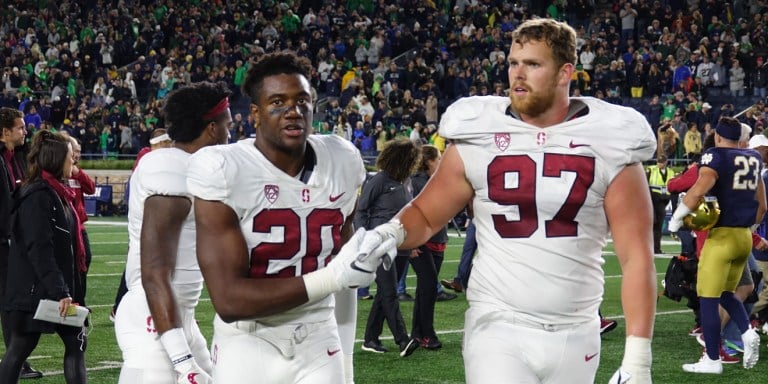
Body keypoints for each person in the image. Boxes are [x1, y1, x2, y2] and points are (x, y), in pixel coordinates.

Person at [350, 18, 658, 383]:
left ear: (565, 73)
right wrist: (389, 233)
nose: (518, 74)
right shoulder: (479, 130)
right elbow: (427, 214)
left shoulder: (611, 138)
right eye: (513, 62)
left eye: (533, 64)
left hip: (577, 330)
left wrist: (639, 358)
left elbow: (636, 256)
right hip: (497, 324)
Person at [186, 52, 392, 384]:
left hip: (319, 333)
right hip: (249, 340)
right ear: (255, 113)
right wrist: (331, 278)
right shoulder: (224, 169)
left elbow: (344, 257)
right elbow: (229, 300)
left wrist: (367, 252)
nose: (293, 112)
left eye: (302, 101)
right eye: (278, 103)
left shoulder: (342, 159)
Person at [114, 81, 232, 384]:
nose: (230, 133)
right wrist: (183, 362)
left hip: (181, 317)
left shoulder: (192, 166)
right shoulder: (169, 167)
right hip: (152, 316)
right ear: (211, 129)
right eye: (227, 125)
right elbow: (154, 273)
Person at [670, 117, 766, 374]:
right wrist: (749, 230)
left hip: (721, 237)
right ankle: (746, 332)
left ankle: (712, 359)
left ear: (717, 137)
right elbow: (762, 206)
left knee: (708, 299)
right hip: (744, 238)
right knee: (726, 292)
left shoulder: (715, 156)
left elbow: (697, 192)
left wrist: (677, 219)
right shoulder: (753, 158)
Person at [0, 130, 86, 383]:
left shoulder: (57, 193)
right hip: (37, 292)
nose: (74, 162)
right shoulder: (38, 196)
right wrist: (60, 290)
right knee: (20, 348)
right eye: (71, 157)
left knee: (75, 343)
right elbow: (39, 249)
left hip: (48, 289)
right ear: (57, 160)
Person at [357, 138, 421, 356]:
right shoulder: (379, 180)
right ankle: (403, 340)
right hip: (380, 244)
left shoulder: (406, 181)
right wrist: (363, 240)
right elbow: (361, 210)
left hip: (401, 243)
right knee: (390, 292)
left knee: (384, 294)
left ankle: (370, 339)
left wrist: (412, 242)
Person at [110, 128, 173, 321]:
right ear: (160, 143)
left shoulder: (149, 161)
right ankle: (121, 309)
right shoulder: (148, 161)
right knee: (140, 269)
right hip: (145, 225)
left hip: (149, 224)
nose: (170, 147)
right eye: (167, 143)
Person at [0, 107, 42, 380]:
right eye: (20, 128)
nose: (25, 131)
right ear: (5, 132)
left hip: (8, 240)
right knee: (9, 301)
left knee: (9, 302)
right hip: (3, 241)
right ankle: (13, 361)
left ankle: (14, 360)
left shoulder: (14, 157)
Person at [408, 144, 449, 350]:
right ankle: (427, 334)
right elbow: (411, 213)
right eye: (438, 159)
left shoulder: (436, 181)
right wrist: (413, 242)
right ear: (427, 161)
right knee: (429, 287)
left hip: (437, 240)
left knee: (426, 290)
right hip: (422, 244)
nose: (440, 162)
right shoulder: (416, 183)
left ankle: (417, 333)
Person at [61, 135, 95, 300]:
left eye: (79, 151)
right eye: (75, 150)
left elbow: (91, 188)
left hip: (79, 226)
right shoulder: (61, 171)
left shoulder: (76, 172)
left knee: (85, 260)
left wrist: (78, 173)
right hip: (66, 225)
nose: (77, 154)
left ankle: (80, 300)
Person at [646, 155, 675, 254]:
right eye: (659, 161)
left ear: (666, 162)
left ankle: (656, 248)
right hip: (652, 200)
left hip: (663, 201)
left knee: (658, 225)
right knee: (651, 224)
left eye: (662, 162)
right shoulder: (651, 170)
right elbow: (645, 184)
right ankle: (647, 248)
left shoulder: (671, 172)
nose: (660, 163)